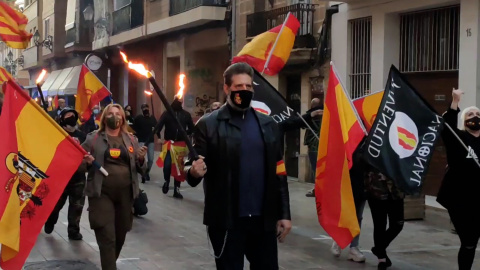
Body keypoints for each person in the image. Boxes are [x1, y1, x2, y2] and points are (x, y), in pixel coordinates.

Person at [185, 62, 291, 269]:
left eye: (248, 87)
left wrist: (284, 214)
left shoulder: (268, 125)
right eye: (238, 87)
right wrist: (194, 171)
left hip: (263, 221)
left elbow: (279, 172)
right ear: (226, 89)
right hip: (227, 221)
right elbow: (191, 168)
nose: (244, 91)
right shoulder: (208, 125)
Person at [81, 104, 147, 270]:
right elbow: (78, 164)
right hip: (101, 193)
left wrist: (140, 159)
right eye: (110, 113)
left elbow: (142, 168)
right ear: (104, 117)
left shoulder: (131, 139)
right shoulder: (93, 138)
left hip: (126, 195)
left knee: (120, 235)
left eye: (118, 114)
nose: (114, 116)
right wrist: (86, 162)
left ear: (123, 118)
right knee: (107, 237)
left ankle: (108, 264)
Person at [437, 88, 480, 270]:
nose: (475, 116)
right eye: (470, 114)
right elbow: (446, 128)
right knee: (469, 241)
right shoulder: (459, 138)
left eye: (478, 114)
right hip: (460, 200)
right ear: (464, 121)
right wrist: (455, 102)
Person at [44, 108, 87, 240]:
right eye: (68, 115)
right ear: (62, 118)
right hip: (60, 177)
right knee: (55, 204)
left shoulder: (82, 136)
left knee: (77, 206)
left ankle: (73, 230)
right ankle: (50, 219)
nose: (71, 117)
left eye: (73, 115)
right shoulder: (56, 133)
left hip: (78, 177)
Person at [330, 145, 367, 262]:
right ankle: (339, 239)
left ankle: (353, 247)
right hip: (349, 178)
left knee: (358, 216)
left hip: (364, 179)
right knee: (345, 213)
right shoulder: (350, 134)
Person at [365, 165, 404, 270]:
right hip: (376, 188)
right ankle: (382, 259)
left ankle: (378, 248)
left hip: (396, 190)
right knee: (380, 224)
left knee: (398, 224)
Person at [156, 96, 194, 198]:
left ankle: (176, 189)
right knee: (167, 165)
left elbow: (192, 128)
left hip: (180, 145)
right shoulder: (167, 114)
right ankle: (166, 181)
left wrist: (185, 134)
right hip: (169, 144)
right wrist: (159, 138)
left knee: (179, 168)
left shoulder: (186, 115)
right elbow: (158, 126)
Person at [304, 98, 323, 197]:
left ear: (312, 105)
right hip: (325, 146)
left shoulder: (311, 116)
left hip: (314, 148)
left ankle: (318, 190)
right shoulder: (327, 114)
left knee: (316, 170)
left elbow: (302, 123)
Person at [133, 104, 157, 182]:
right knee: (142, 158)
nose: (145, 109)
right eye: (144, 108)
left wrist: (159, 137)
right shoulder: (138, 118)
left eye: (146, 107)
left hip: (150, 141)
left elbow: (157, 127)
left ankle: (146, 172)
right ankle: (143, 173)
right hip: (141, 140)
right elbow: (134, 128)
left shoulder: (152, 118)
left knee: (150, 159)